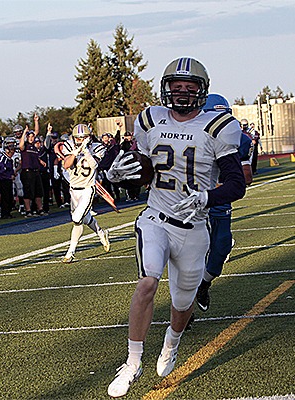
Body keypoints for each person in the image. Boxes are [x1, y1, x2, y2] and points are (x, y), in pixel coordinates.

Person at [105, 57, 246, 397]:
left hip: (194, 228)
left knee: (182, 304)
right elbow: (140, 171)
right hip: (155, 218)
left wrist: (205, 198)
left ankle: (172, 341)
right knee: (148, 282)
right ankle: (132, 362)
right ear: (166, 89)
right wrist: (116, 175)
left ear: (202, 91)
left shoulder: (218, 126)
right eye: (176, 87)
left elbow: (235, 184)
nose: (182, 94)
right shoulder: (149, 119)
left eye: (190, 88)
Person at [194, 93, 253, 314]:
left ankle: (204, 284)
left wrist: (222, 185)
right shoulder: (190, 136)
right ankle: (182, 307)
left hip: (218, 200)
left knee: (222, 246)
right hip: (192, 202)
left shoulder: (240, 140)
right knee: (192, 251)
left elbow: (246, 177)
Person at [59, 123, 110, 263]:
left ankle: (70, 252)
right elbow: (66, 164)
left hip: (88, 188)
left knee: (77, 219)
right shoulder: (69, 146)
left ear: (89, 137)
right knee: (85, 218)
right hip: (74, 189)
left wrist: (86, 151)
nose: (81, 140)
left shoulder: (97, 147)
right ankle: (101, 232)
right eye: (78, 138)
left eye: (84, 137)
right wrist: (76, 152)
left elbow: (94, 166)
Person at [19, 114, 45, 216]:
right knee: (28, 192)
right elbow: (20, 145)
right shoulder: (25, 146)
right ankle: (28, 210)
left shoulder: (34, 147)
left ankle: (40, 209)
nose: (31, 138)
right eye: (29, 136)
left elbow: (36, 132)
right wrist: (25, 132)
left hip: (36, 171)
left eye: (32, 136)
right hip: (27, 172)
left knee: (38, 192)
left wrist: (36, 121)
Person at [0, 137, 17, 219]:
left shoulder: (9, 159)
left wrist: (12, 173)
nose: (13, 152)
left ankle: (8, 212)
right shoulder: (3, 158)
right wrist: (9, 176)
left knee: (9, 195)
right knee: (5, 196)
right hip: (1, 179)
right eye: (12, 150)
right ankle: (5, 213)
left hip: (6, 179)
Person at [99, 132, 121, 203]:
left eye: (106, 138)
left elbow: (117, 138)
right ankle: (111, 197)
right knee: (107, 184)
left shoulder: (112, 146)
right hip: (104, 168)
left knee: (115, 182)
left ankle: (117, 196)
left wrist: (118, 128)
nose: (105, 139)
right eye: (104, 138)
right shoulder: (100, 147)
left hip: (111, 167)